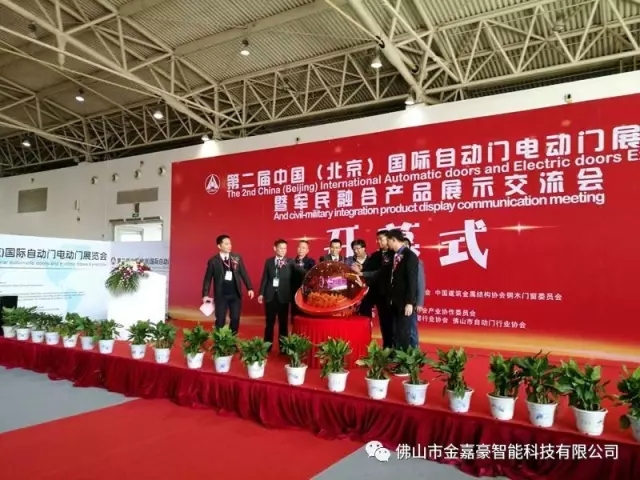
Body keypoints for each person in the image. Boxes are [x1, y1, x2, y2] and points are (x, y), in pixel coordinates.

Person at [202, 234, 254, 334]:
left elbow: (243, 273)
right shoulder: (213, 261)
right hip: (221, 295)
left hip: (235, 294)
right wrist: (205, 295)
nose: (229, 246)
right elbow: (207, 279)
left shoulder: (236, 258)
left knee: (235, 318)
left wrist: (249, 288)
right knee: (220, 319)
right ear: (219, 246)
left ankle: (232, 339)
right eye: (226, 244)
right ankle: (219, 340)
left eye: (230, 243)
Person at [356, 230, 393, 343]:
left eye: (381, 239)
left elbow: (380, 272)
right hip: (373, 291)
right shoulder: (376, 255)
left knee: (387, 322)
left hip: (386, 293)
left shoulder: (394, 255)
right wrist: (360, 268)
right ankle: (364, 341)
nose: (378, 242)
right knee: (364, 311)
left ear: (388, 239)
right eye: (377, 239)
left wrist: (363, 273)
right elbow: (367, 268)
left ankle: (388, 346)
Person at [258, 239, 294, 352]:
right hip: (270, 296)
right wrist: (261, 293)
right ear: (275, 248)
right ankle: (267, 347)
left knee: (283, 324)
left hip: (283, 297)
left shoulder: (290, 262)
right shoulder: (269, 262)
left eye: (285, 248)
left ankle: (283, 348)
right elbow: (265, 278)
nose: (283, 250)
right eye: (281, 248)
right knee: (269, 323)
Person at [385, 229, 418, 351]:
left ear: (394, 240)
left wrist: (410, 302)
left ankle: (403, 358)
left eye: (388, 241)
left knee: (403, 332)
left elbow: (412, 281)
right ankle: (395, 355)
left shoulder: (410, 256)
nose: (387, 244)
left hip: (404, 302)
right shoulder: (393, 255)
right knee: (395, 332)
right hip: (394, 301)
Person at [404, 238, 425, 347]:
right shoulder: (396, 261)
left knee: (412, 329)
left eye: (405, 245)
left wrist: (419, 303)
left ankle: (415, 352)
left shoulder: (416, 261)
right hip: (399, 301)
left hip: (411, 301)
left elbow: (420, 283)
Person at [290, 240, 315, 320]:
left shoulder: (311, 262)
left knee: (305, 317)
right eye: (299, 247)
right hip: (294, 292)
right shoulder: (291, 262)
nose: (301, 249)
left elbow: (312, 276)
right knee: (295, 317)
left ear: (307, 250)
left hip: (306, 292)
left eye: (303, 248)